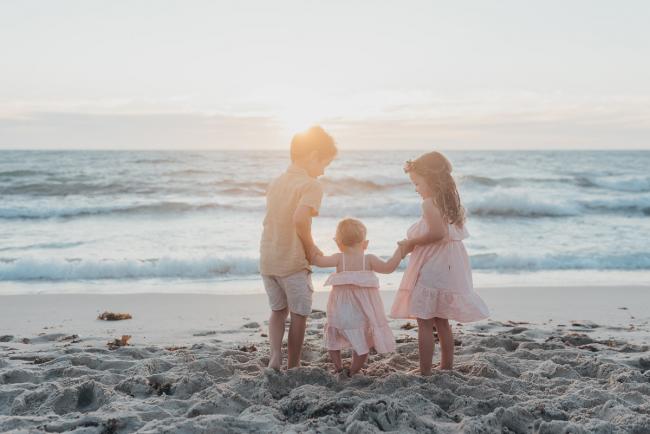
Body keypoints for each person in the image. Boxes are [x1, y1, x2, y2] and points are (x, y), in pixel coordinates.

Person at [391, 151, 489, 375]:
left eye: (417, 183)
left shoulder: (429, 204)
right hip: (450, 264)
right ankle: (446, 366)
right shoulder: (450, 202)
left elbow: (437, 233)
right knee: (441, 320)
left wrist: (411, 242)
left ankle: (425, 370)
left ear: (431, 179)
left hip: (435, 265)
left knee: (424, 321)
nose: (415, 188)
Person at [259, 126, 337, 370]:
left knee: (277, 311)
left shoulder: (276, 182)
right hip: (292, 262)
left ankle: (274, 355)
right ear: (313, 156)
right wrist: (311, 247)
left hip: (268, 259)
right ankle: (293, 364)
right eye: (324, 163)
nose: (323, 171)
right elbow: (300, 219)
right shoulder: (311, 185)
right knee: (300, 315)